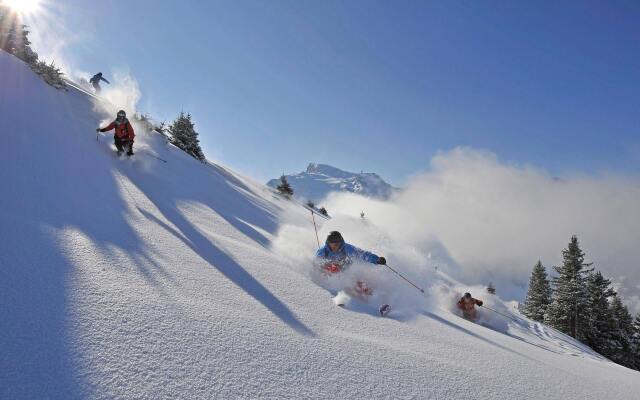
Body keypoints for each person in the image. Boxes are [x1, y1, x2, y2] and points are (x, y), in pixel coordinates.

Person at [315, 231, 390, 315]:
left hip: (346, 274)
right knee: (333, 268)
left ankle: (377, 304)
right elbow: (316, 264)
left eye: (336, 245)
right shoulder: (323, 251)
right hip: (330, 275)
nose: (333, 247)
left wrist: (377, 259)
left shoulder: (347, 249)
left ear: (340, 243)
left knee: (361, 286)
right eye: (331, 245)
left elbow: (363, 254)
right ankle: (339, 298)